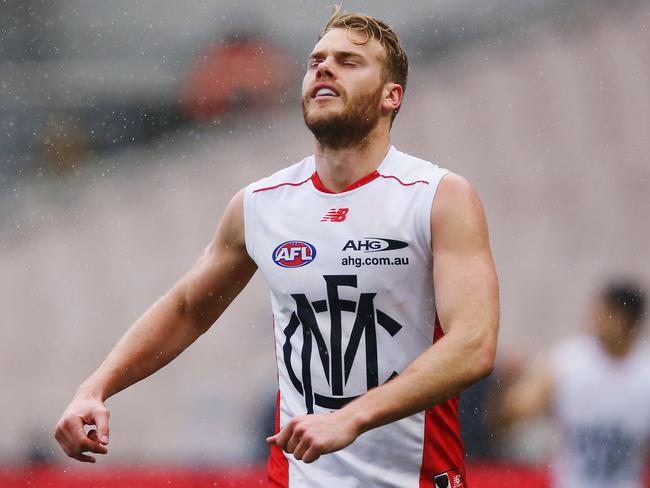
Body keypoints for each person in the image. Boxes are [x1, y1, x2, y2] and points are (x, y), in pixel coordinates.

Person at [54, 7, 499, 488]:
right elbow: (186, 308)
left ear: (393, 96)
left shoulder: (438, 196)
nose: (324, 68)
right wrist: (94, 388)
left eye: (349, 62)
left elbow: (472, 346)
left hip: (414, 479)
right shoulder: (260, 204)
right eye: (316, 61)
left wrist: (353, 416)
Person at [499, 282, 650, 488]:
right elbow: (514, 411)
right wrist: (510, 379)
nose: (593, 321)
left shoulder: (644, 371)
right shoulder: (568, 360)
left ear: (624, 319)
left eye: (602, 314)